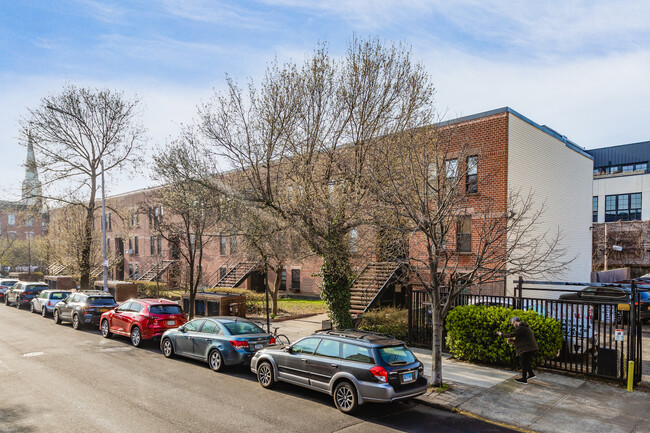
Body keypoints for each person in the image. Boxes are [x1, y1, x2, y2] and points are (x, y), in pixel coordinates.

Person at [497, 316, 539, 384]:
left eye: (513, 324)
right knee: (526, 362)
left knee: (523, 362)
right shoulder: (524, 327)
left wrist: (501, 334)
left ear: (515, 322)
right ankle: (531, 374)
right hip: (531, 347)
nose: (513, 325)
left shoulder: (521, 328)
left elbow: (512, 334)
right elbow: (521, 339)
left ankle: (524, 379)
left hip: (528, 348)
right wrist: (512, 340)